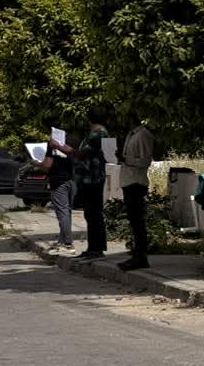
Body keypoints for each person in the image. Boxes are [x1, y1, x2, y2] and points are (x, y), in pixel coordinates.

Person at [116, 114, 156, 271]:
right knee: (133, 221)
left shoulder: (143, 135)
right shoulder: (131, 135)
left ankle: (141, 256)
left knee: (138, 221)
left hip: (136, 182)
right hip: (128, 181)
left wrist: (126, 160)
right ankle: (137, 254)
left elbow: (145, 161)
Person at [74, 114, 112, 260]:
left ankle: (96, 249)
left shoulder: (97, 135)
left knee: (93, 214)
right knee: (91, 214)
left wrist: (63, 148)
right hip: (92, 179)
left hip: (93, 180)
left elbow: (82, 154)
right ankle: (94, 248)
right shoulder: (99, 134)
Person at [45, 127, 78, 250]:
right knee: (67, 212)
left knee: (63, 213)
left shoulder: (52, 146)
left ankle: (68, 243)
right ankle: (62, 240)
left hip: (58, 182)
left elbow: (47, 165)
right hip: (71, 181)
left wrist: (35, 163)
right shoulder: (72, 145)